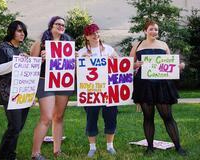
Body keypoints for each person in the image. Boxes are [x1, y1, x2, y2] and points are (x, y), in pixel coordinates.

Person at [129, 20, 186, 156]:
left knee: (168, 116)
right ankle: (150, 148)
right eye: (151, 29)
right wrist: (136, 65)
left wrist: (179, 66)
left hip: (162, 85)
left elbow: (170, 65)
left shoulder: (163, 45)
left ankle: (178, 147)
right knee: (148, 117)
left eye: (156, 29)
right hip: (144, 85)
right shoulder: (137, 45)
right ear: (145, 31)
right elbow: (129, 65)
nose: (154, 32)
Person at [30, 16, 73, 159]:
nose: (61, 26)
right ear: (51, 26)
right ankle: (35, 153)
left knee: (59, 117)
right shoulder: (40, 43)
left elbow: (71, 63)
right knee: (46, 118)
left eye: (63, 25)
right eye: (58, 24)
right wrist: (41, 59)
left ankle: (57, 151)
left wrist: (75, 57)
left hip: (63, 81)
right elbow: (31, 65)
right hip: (45, 81)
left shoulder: (67, 43)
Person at [77, 23, 119, 158]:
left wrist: (113, 61)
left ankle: (110, 146)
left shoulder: (108, 49)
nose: (96, 35)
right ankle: (92, 147)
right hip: (91, 91)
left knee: (111, 116)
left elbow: (120, 65)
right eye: (92, 33)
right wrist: (82, 61)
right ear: (86, 36)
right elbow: (77, 73)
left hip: (108, 89)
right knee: (91, 117)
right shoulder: (81, 52)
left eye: (97, 32)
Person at [0, 20, 29, 160]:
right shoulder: (3, 47)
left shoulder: (19, 50)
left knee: (17, 127)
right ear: (11, 31)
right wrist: (16, 62)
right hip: (8, 93)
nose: (22, 33)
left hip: (22, 94)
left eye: (23, 31)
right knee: (14, 126)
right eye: (19, 30)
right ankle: (3, 156)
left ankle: (10, 155)